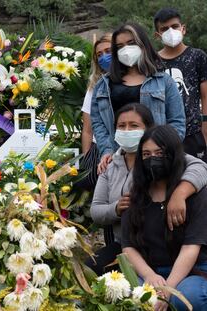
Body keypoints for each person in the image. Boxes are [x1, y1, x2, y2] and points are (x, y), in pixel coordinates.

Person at [89, 103, 207, 276]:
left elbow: (200, 167)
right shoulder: (109, 166)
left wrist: (179, 194)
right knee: (94, 269)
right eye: (121, 126)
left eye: (134, 126)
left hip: (169, 241)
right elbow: (96, 210)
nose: (127, 131)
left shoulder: (164, 157)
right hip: (127, 244)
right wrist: (116, 208)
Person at [122, 125, 207, 311]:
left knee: (188, 298)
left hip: (192, 271)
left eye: (160, 153)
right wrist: (149, 276)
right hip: (150, 270)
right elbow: (128, 245)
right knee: (126, 295)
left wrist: (168, 288)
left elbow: (191, 246)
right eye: (146, 154)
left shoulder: (195, 193)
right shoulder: (136, 193)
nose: (152, 159)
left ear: (173, 154)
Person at [90, 23, 185, 174]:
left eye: (131, 43)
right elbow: (98, 124)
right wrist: (106, 151)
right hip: (119, 159)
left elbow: (177, 121)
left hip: (156, 159)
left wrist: (163, 150)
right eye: (120, 46)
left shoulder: (164, 81)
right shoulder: (103, 86)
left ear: (143, 44)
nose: (126, 49)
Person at [154, 8, 207, 162]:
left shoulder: (198, 56)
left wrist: (205, 126)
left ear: (183, 28)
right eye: (164, 29)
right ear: (158, 35)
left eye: (174, 26)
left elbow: (205, 95)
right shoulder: (152, 62)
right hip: (162, 135)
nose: (170, 31)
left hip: (194, 132)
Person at [80, 33, 112, 190]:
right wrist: (87, 160)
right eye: (99, 55)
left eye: (108, 51)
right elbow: (87, 130)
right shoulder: (95, 87)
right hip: (100, 153)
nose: (104, 57)